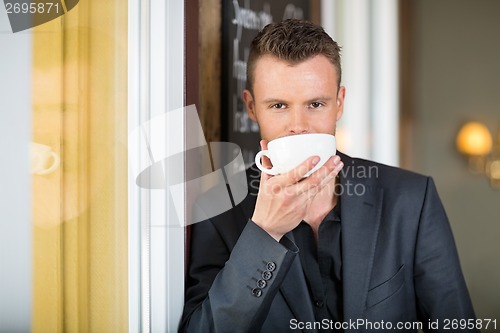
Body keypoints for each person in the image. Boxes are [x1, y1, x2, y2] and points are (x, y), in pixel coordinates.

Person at [180, 19, 477, 332]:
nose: (299, 125)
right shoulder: (217, 209)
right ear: (252, 107)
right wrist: (264, 233)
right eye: (278, 105)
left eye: (316, 103)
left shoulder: (411, 199)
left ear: (339, 104)